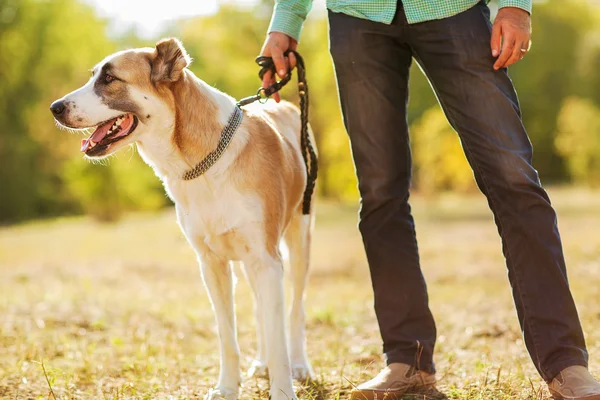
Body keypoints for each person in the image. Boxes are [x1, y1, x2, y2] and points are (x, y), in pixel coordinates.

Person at [260, 1, 600, 399]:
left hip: (451, 8)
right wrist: (286, 20)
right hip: (358, 16)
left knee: (515, 181)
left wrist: (514, 5)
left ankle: (565, 363)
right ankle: (408, 360)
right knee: (380, 192)